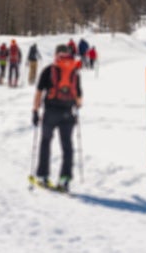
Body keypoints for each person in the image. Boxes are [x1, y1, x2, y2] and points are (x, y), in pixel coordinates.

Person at [31, 43, 83, 192]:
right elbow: (79, 97)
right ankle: (65, 179)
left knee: (46, 142)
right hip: (68, 113)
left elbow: (39, 93)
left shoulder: (49, 70)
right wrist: (76, 108)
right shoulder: (74, 71)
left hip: (50, 112)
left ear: (56, 55)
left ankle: (43, 175)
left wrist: (35, 111)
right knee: (67, 146)